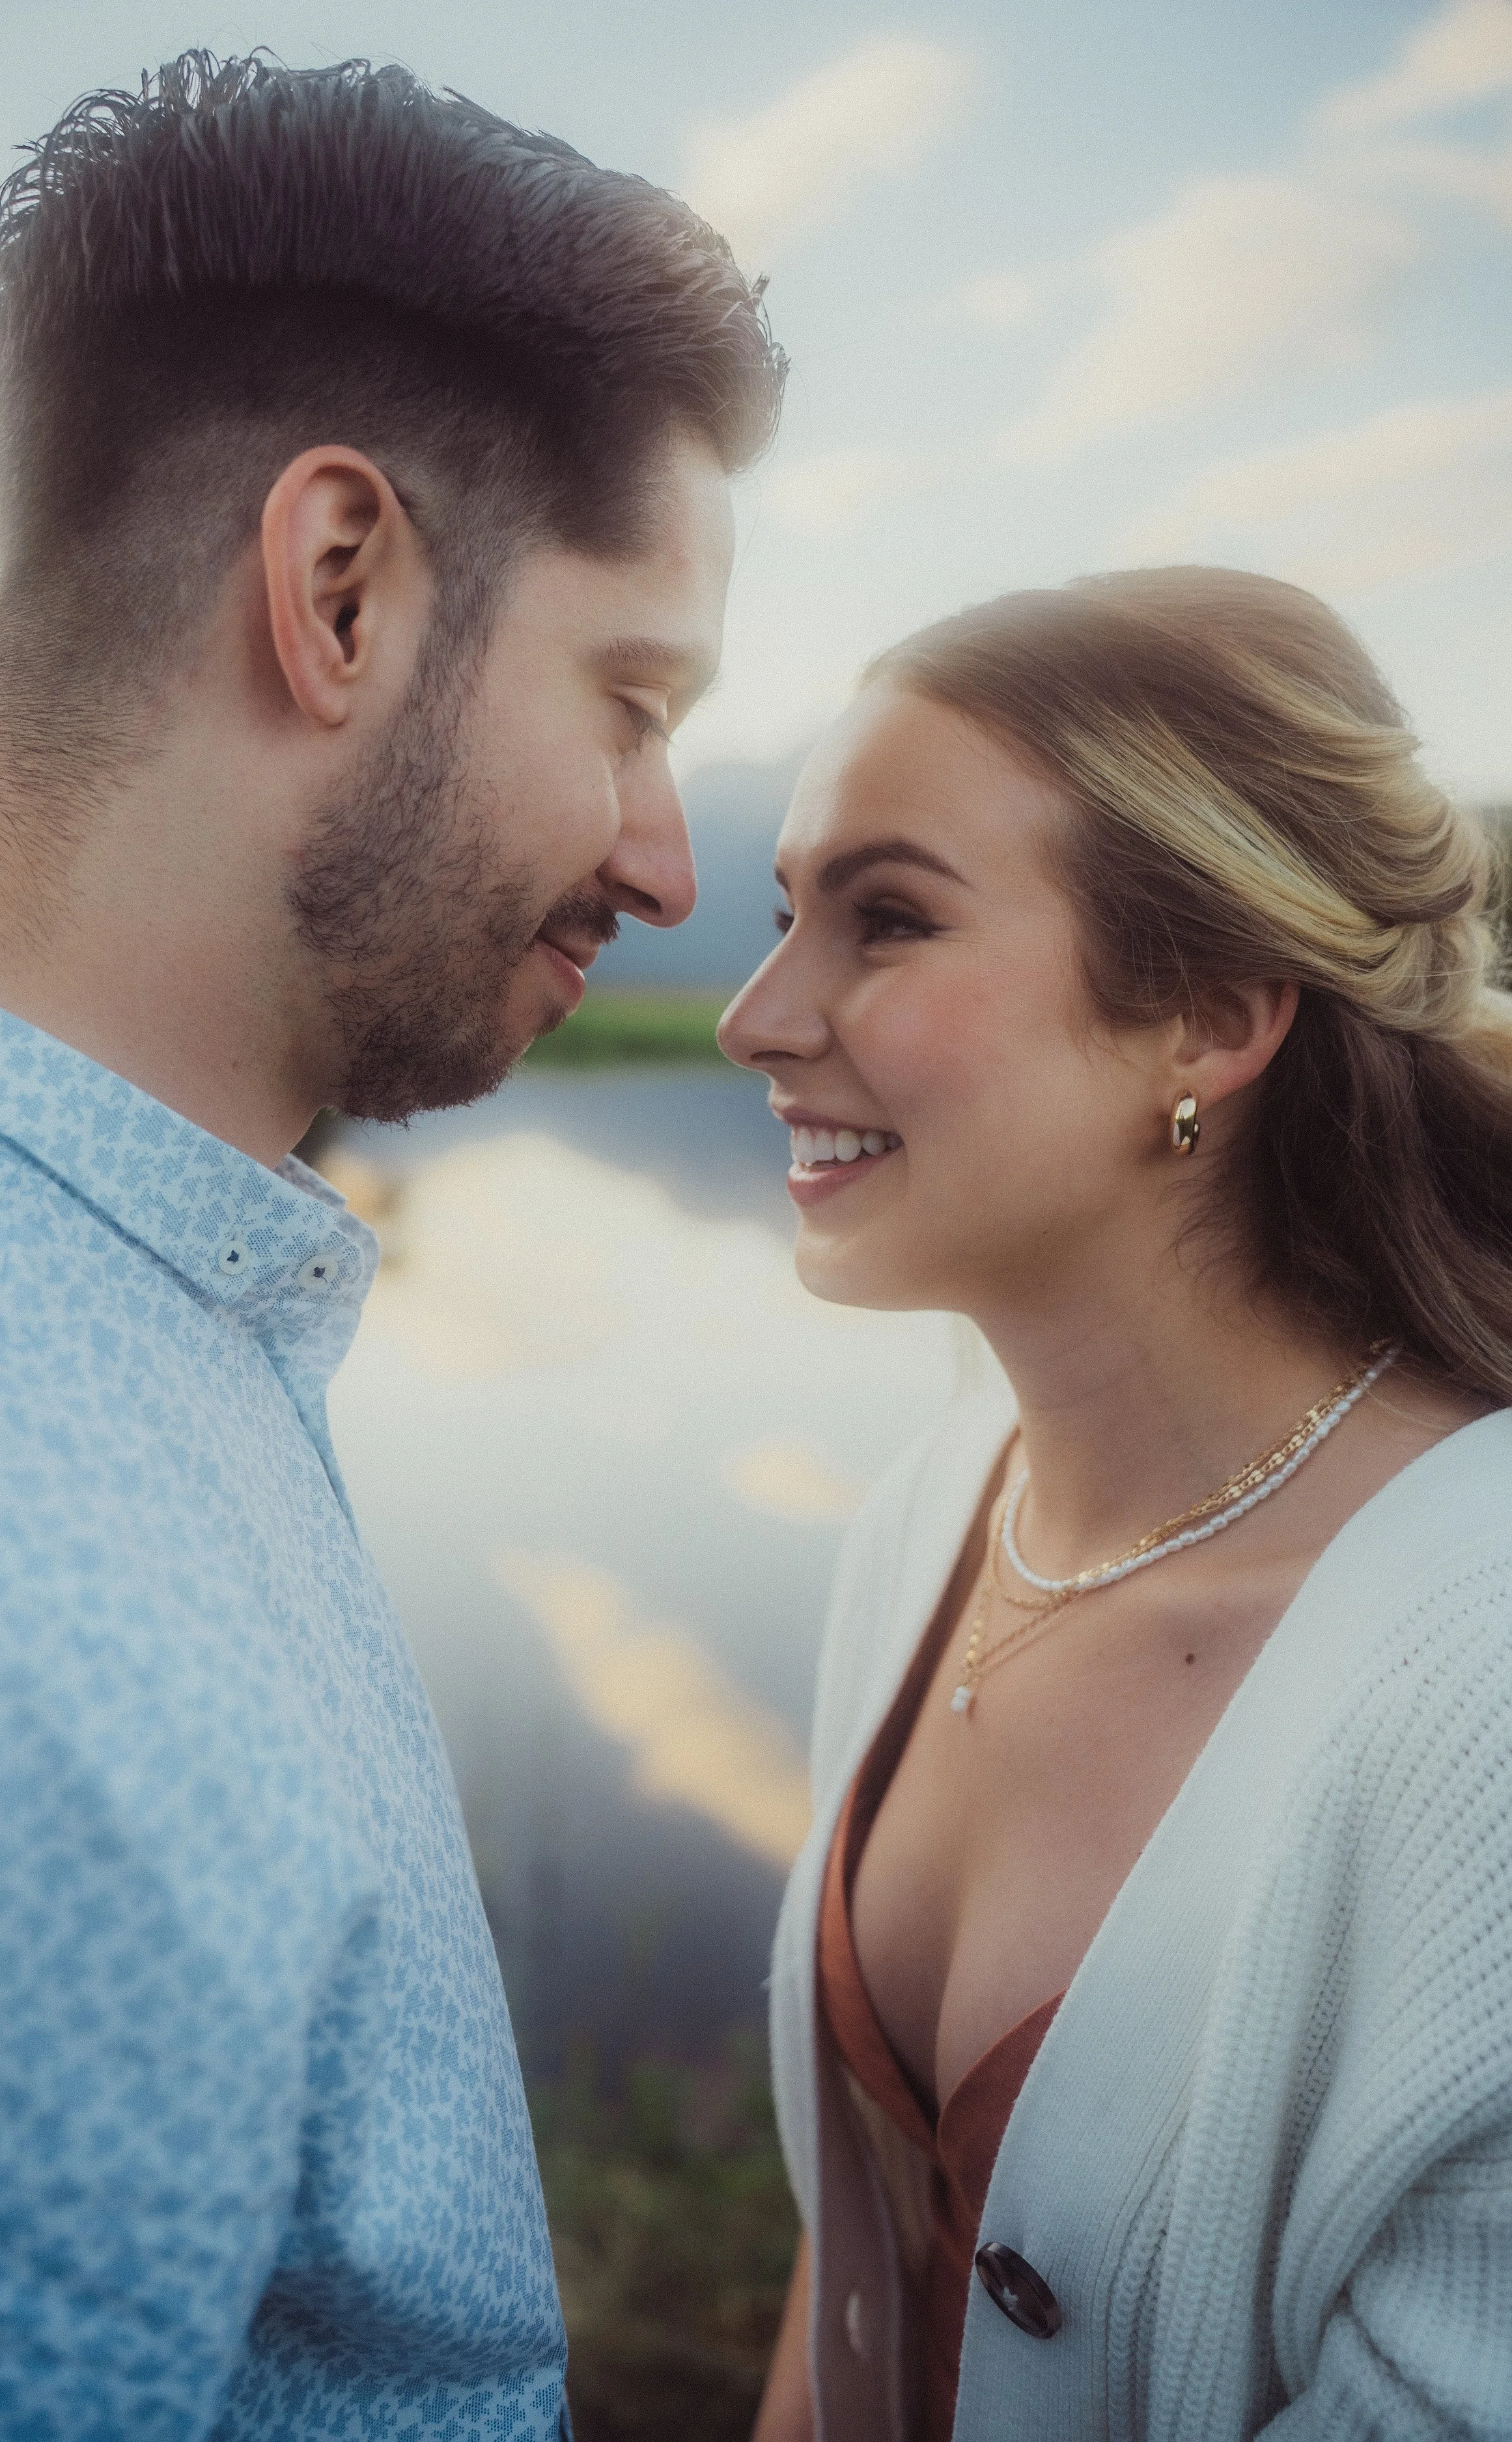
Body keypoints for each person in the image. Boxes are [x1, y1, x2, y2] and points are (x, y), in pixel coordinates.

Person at [0, 49, 783, 2440]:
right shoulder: (1, 1597)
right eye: (634, 697)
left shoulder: (92, 1309)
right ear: (340, 589)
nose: (667, 859)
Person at [721, 566, 1512, 2441]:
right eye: (784, 914)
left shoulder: (1482, 1684)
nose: (756, 1017)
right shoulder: (940, 1513)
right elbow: (859, 2251)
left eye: (886, 918)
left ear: (1210, 1018)